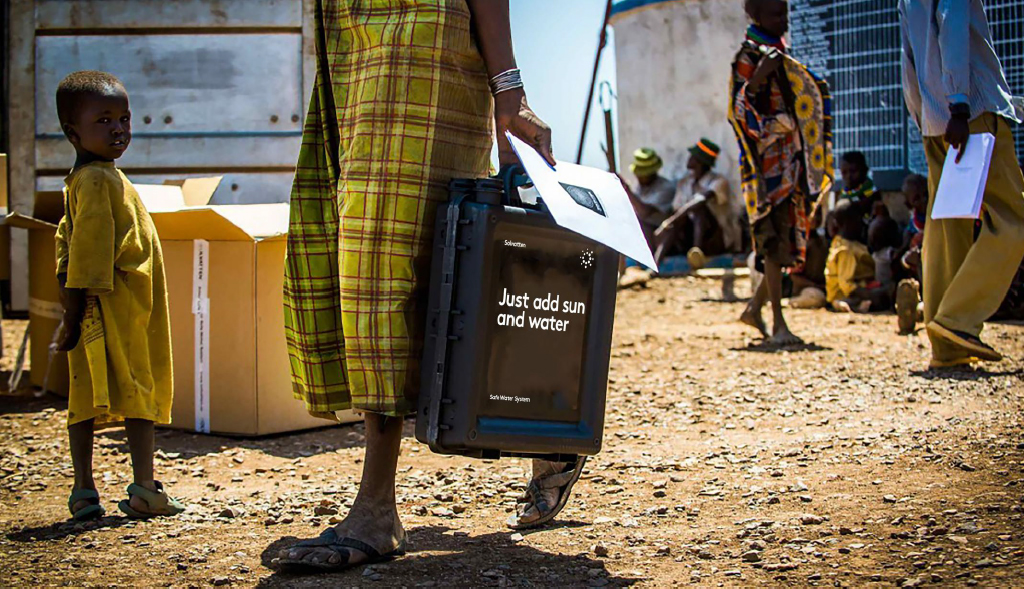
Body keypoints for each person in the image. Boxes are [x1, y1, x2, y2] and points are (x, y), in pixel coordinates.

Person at [279, 1, 580, 573]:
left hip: (423, 50)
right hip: (351, 57)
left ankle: (377, 506)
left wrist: (509, 89)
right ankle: (542, 425)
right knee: (405, 265)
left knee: (398, 268)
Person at [52, 71, 183, 521]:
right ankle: (145, 488)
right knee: (137, 390)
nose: (119, 129)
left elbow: (70, 249)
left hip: (97, 307)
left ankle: (83, 490)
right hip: (116, 308)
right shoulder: (97, 182)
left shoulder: (91, 177)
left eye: (124, 118)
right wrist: (72, 316)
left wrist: (74, 313)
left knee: (85, 393)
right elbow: (84, 253)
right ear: (73, 132)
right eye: (104, 120)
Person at [900, 0, 1024, 368]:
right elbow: (952, 26)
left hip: (934, 121)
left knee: (946, 225)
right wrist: (959, 105)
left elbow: (908, 56)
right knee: (1014, 219)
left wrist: (924, 116)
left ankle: (947, 345)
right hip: (971, 113)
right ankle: (958, 319)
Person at [728, 0, 834, 345]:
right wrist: (758, 80)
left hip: (790, 166)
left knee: (785, 239)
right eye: (775, 12)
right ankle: (778, 325)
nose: (783, 19)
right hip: (766, 172)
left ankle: (755, 309)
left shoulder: (781, 57)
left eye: (785, 12)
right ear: (755, 13)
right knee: (772, 243)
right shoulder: (749, 58)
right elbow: (740, 113)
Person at [654, 138, 745, 269]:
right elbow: (677, 209)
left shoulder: (718, 181)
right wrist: (671, 223)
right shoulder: (684, 183)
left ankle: (697, 253)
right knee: (678, 221)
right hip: (688, 236)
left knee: (698, 210)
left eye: (692, 157)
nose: (689, 159)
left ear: (699, 162)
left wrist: (670, 221)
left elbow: (700, 200)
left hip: (714, 239)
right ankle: (656, 264)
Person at [825, 201, 889, 313]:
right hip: (845, 294)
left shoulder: (847, 243)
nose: (862, 224)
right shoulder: (846, 250)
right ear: (850, 222)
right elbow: (847, 285)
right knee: (884, 294)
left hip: (862, 285)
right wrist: (870, 294)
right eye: (859, 220)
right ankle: (852, 305)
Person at [621, 147, 677, 248]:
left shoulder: (666, 188)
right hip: (643, 236)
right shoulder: (641, 187)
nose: (638, 177)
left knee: (642, 225)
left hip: (662, 237)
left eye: (642, 175)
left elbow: (644, 212)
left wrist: (627, 190)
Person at [895, 173, 927, 335]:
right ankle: (919, 304)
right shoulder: (914, 218)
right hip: (917, 262)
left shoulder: (933, 216)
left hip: (931, 260)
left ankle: (922, 307)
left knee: (922, 257)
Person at [837, 150, 881, 227]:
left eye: (853, 171)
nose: (848, 176)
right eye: (844, 172)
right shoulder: (844, 195)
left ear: (865, 171)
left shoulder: (872, 195)